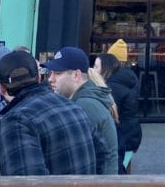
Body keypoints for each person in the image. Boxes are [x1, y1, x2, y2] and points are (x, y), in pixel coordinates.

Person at [0, 50, 105, 175]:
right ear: (39, 78)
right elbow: (101, 151)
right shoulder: (72, 106)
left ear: (1, 88)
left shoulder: (15, 121)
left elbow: (26, 182)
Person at [44, 46, 119, 174]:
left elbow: (74, 158)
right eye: (50, 73)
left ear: (76, 75)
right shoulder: (84, 101)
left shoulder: (84, 105)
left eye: (57, 73)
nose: (51, 78)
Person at [96, 53, 142, 160]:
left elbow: (107, 115)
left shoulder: (111, 88)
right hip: (131, 134)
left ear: (106, 68)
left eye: (96, 66)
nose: (93, 70)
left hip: (122, 137)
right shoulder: (125, 80)